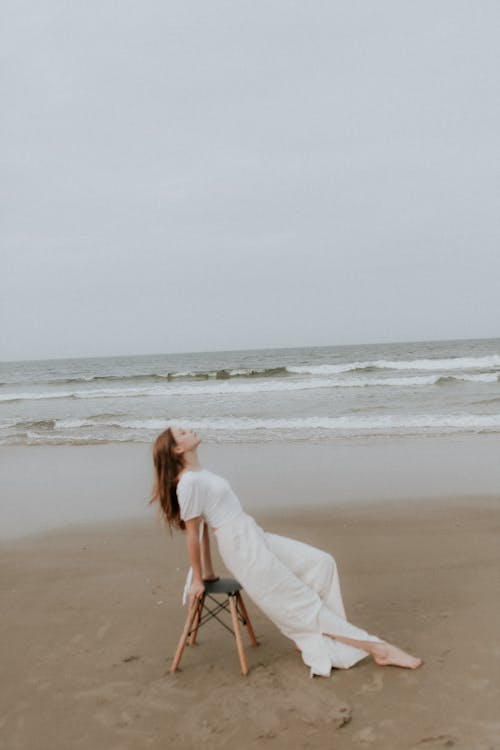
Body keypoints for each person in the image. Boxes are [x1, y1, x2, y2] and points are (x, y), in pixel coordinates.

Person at [150, 426, 422, 678]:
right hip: (242, 548)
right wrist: (199, 578)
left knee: (321, 564)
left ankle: (327, 638)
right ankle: (379, 649)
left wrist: (208, 571)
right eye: (182, 432)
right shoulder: (187, 483)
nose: (189, 430)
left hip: (253, 534)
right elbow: (195, 534)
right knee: (302, 603)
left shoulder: (201, 474)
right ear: (177, 449)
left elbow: (203, 530)